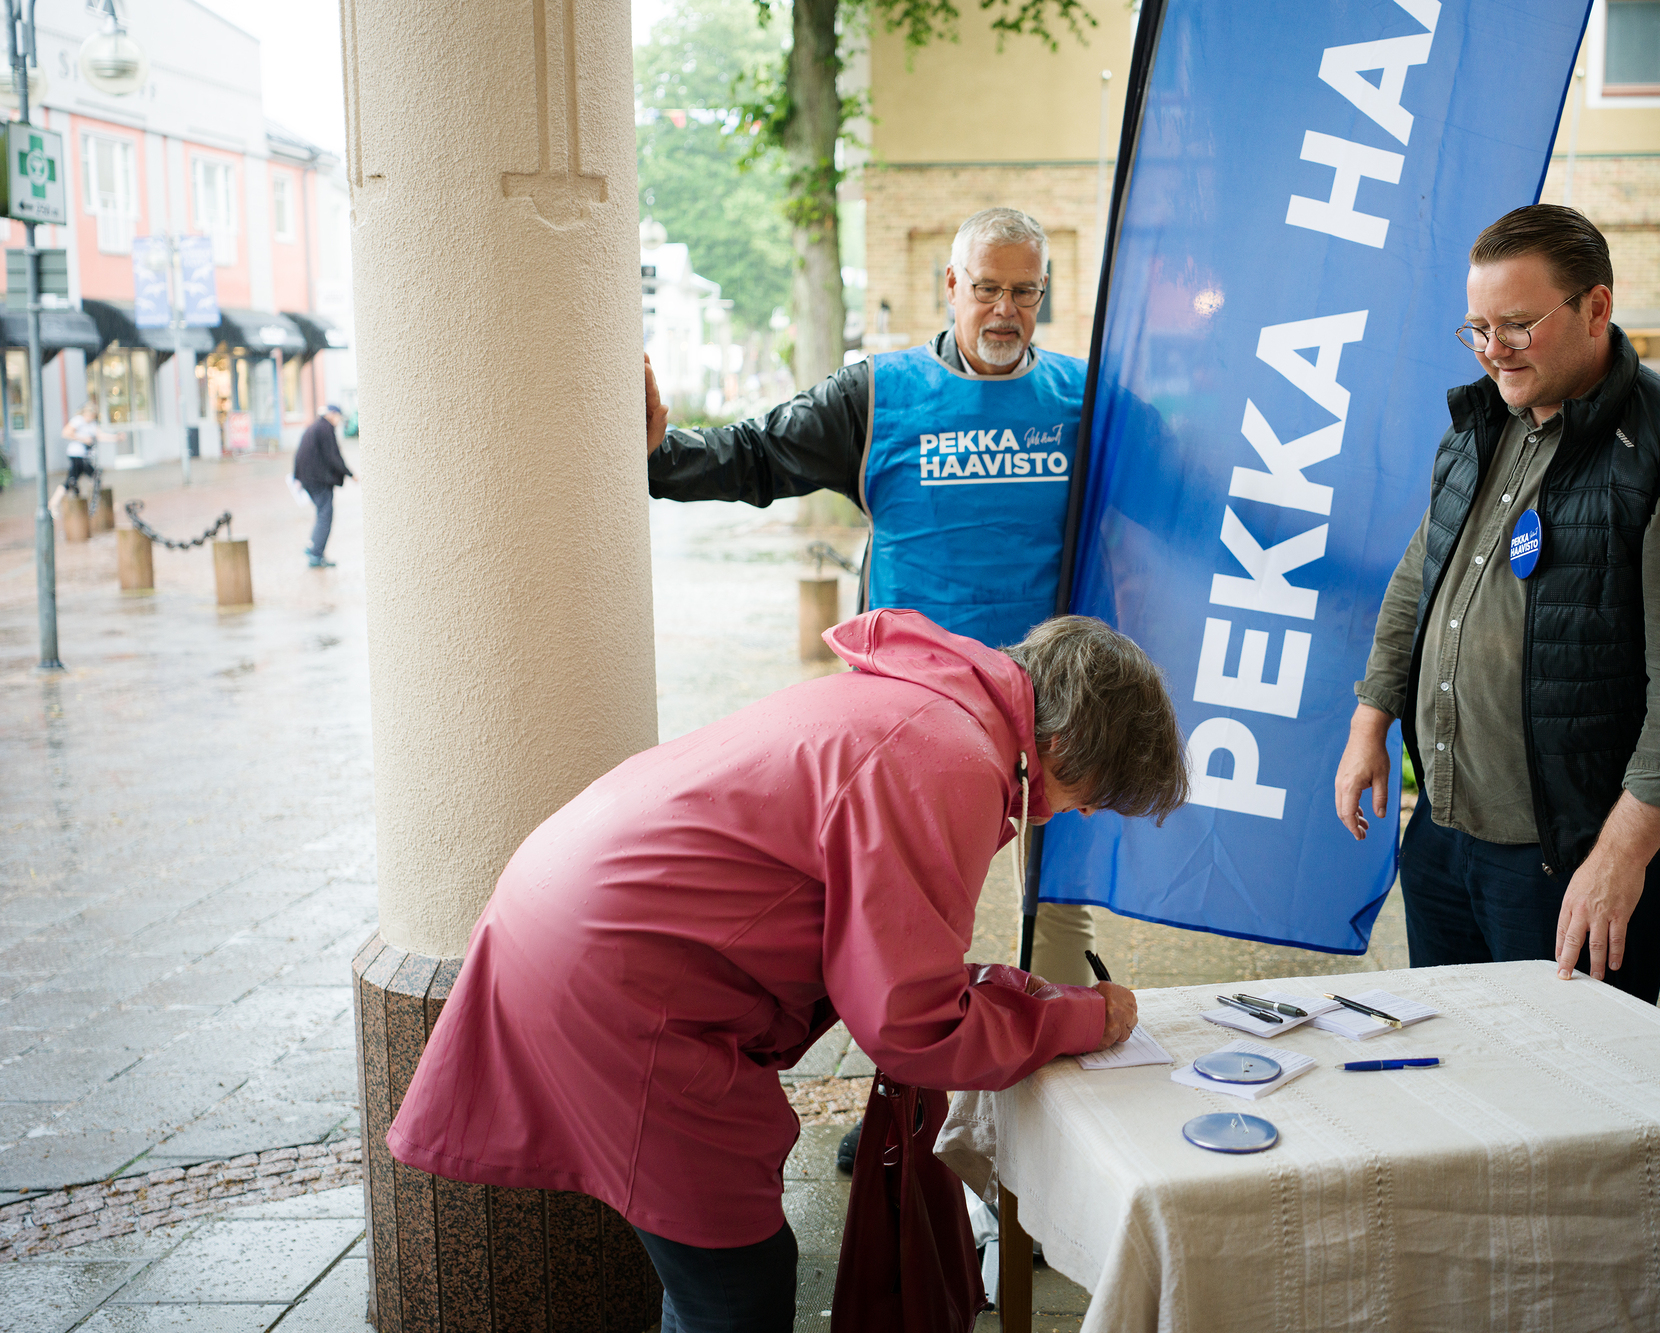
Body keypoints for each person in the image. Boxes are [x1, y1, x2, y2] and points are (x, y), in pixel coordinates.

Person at [388, 610, 1186, 1333]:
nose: (1076, 812)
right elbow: (914, 1026)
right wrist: (1087, 1015)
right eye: (1094, 795)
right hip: (624, 979)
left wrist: (1012, 998)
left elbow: (878, 951)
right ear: (1069, 745)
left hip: (577, 924)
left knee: (719, 1270)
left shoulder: (920, 700)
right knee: (736, 1287)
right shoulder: (955, 761)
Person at [641, 207, 1102, 988]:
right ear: (950, 285)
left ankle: (1058, 1062)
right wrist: (654, 454)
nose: (1004, 310)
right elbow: (756, 455)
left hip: (1049, 702)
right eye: (986, 288)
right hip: (917, 707)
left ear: (1044, 293)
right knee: (909, 916)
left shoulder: (1081, 397)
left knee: (1058, 909)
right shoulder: (879, 395)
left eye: (1024, 293)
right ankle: (915, 1095)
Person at [1333, 204, 1660, 1005]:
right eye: (1478, 327)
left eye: (1518, 325)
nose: (1493, 350)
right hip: (1445, 837)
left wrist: (1621, 856)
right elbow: (1419, 578)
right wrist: (1372, 722)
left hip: (1570, 862)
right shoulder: (1483, 425)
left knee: (1567, 1108)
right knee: (1461, 1081)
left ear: (1597, 307)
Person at [292, 404, 351, 568]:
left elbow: (299, 453)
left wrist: (297, 476)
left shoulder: (314, 427)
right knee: (325, 515)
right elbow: (333, 456)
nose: (339, 421)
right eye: (338, 416)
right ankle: (316, 554)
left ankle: (313, 547)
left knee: (321, 513)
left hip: (308, 478)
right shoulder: (326, 429)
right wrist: (349, 473)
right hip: (319, 480)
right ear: (332, 415)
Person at [59, 401, 118, 498]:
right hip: (76, 455)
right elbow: (65, 433)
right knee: (94, 477)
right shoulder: (78, 420)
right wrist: (83, 439)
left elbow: (100, 435)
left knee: (73, 479)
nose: (92, 417)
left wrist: (115, 438)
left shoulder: (92, 424)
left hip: (85, 456)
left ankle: (55, 502)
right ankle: (98, 502)